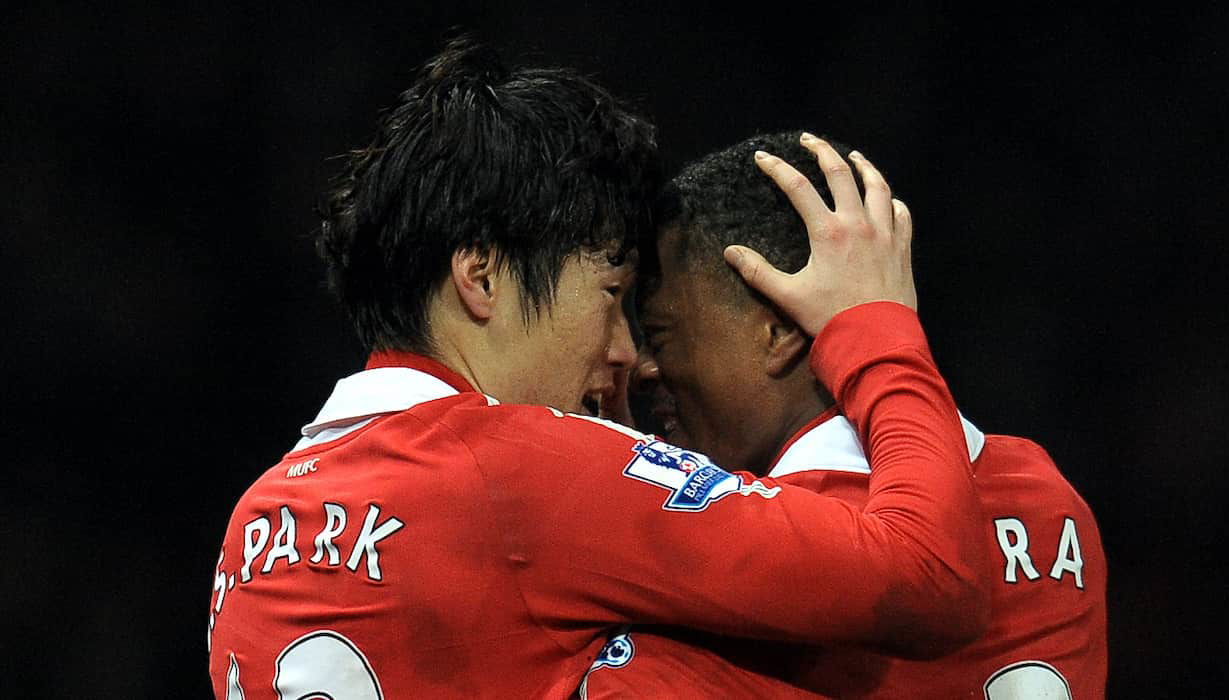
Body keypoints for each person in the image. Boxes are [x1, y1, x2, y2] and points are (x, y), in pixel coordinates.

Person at [207, 40, 992, 698]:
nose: (623, 350)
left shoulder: (254, 525)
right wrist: (874, 328)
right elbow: (930, 576)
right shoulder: (523, 471)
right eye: (611, 293)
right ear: (482, 275)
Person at [578, 132, 1108, 698]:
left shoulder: (765, 541)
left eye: (660, 334)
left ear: (779, 330)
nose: (642, 366)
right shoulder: (1044, 494)